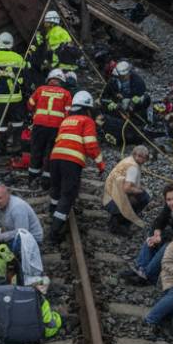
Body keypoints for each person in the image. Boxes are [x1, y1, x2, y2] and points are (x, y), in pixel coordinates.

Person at [47, 90, 105, 243]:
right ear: (87, 109)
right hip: (71, 162)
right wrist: (100, 164)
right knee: (67, 195)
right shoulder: (87, 121)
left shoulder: (66, 120)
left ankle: (53, 212)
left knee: (56, 189)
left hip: (55, 158)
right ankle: (55, 232)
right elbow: (91, 145)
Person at [123, 183, 173, 285]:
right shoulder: (170, 205)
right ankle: (141, 269)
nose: (172, 203)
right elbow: (160, 220)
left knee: (168, 245)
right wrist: (156, 232)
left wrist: (161, 238)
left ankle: (148, 277)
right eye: (169, 200)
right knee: (151, 238)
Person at [25, 68, 72, 188]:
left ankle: (32, 179)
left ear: (49, 79)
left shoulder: (40, 89)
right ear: (61, 81)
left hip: (39, 126)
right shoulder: (66, 94)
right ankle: (46, 181)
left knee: (36, 151)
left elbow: (30, 105)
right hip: (56, 128)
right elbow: (68, 113)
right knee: (51, 153)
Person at [102, 144, 152, 234]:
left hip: (108, 196)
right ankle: (120, 223)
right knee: (144, 197)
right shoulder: (133, 167)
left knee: (138, 194)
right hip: (112, 201)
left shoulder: (128, 160)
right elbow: (127, 188)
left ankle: (117, 218)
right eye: (144, 157)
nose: (144, 160)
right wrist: (139, 191)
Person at [100, 60, 149, 147]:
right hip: (118, 109)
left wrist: (135, 102)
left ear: (129, 73)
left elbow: (144, 99)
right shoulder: (113, 82)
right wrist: (110, 103)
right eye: (121, 76)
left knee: (138, 125)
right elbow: (103, 98)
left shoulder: (138, 82)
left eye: (124, 76)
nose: (122, 78)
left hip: (134, 111)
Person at [0, 182, 44, 250]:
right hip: (16, 236)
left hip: (32, 240)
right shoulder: (1, 205)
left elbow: (22, 233)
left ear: (7, 195)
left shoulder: (17, 208)